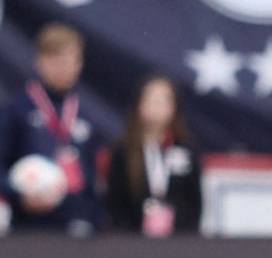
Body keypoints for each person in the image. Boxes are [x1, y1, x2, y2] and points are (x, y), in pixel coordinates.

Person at [0, 22, 102, 235]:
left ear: (79, 63)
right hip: (27, 225)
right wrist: (18, 195)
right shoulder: (17, 108)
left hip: (74, 227)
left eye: (68, 61)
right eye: (55, 61)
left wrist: (91, 217)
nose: (62, 68)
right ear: (40, 62)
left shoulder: (86, 115)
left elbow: (94, 179)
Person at [106, 75, 203, 235]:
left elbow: (195, 203)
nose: (156, 106)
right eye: (151, 99)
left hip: (178, 243)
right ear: (140, 106)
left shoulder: (186, 150)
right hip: (133, 242)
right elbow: (115, 202)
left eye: (163, 100)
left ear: (173, 108)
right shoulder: (123, 150)